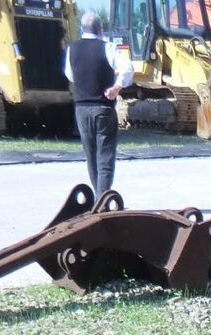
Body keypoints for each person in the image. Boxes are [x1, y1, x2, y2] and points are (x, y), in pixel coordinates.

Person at [64, 12, 133, 198]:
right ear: (100, 29)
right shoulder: (108, 47)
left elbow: (70, 75)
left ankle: (98, 197)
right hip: (103, 108)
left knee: (91, 156)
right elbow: (127, 67)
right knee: (105, 156)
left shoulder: (72, 48)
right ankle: (102, 200)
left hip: (81, 109)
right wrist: (117, 87)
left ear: (82, 28)